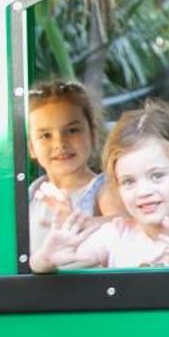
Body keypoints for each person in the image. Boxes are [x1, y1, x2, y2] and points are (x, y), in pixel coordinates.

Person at [31, 101, 169, 270]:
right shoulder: (115, 235)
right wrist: (45, 259)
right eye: (128, 181)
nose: (143, 192)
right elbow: (61, 264)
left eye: (157, 176)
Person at [25, 78, 119, 239]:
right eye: (46, 135)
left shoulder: (103, 190)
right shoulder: (33, 193)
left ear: (92, 134)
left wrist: (86, 224)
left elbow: (127, 227)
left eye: (72, 131)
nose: (60, 143)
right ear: (32, 148)